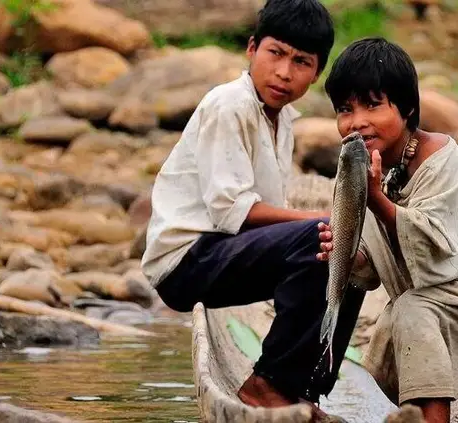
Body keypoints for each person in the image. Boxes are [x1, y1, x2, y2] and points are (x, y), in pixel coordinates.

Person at [140, 0, 366, 418]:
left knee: (352, 258)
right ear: (251, 49)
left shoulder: (281, 120)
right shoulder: (230, 105)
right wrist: (323, 222)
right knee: (325, 235)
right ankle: (269, 383)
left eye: (301, 62)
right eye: (275, 53)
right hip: (186, 262)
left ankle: (304, 390)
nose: (284, 72)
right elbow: (234, 212)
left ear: (315, 75)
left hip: (223, 251)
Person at [317, 37, 458, 423]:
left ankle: (433, 418)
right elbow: (371, 260)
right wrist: (344, 253)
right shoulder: (359, 164)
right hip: (439, 280)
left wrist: (375, 199)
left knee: (412, 311)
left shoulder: (439, 159)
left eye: (372, 105)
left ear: (408, 109)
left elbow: (430, 246)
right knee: (394, 310)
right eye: (345, 109)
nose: (357, 121)